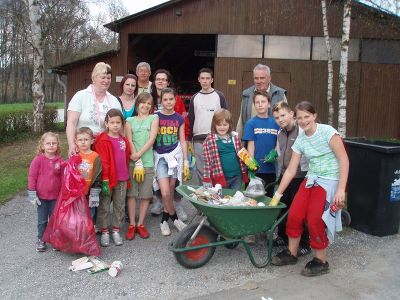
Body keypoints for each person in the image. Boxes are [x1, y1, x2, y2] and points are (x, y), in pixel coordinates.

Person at [271, 101, 349, 277]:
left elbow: (344, 160)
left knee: (315, 219)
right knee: (294, 215)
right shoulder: (300, 139)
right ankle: (292, 253)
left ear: (314, 116)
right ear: (295, 119)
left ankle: (321, 261)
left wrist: (340, 190)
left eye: (307, 116)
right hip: (311, 179)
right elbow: (291, 169)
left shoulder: (328, 132)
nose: (303, 120)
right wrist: (277, 194)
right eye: (300, 118)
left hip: (329, 180)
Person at [150, 69, 189, 220]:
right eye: (165, 100)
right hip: (160, 155)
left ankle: (172, 211)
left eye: (171, 99)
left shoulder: (179, 118)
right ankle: (171, 214)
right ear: (161, 100)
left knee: (173, 187)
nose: (168, 102)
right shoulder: (155, 116)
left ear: (175, 100)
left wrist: (186, 160)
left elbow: (182, 139)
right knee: (164, 189)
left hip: (175, 154)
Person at [272, 102, 310, 256]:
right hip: (285, 175)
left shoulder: (302, 131)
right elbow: (279, 152)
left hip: (300, 176)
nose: (280, 119)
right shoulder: (280, 133)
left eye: (283, 115)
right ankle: (282, 236)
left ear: (291, 114)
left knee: (299, 211)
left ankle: (305, 243)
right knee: (283, 208)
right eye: (276, 117)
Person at [66, 62, 121, 156]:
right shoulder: (80, 96)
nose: (106, 80)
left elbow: (120, 125)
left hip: (106, 146)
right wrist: (71, 144)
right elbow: (71, 123)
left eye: (108, 78)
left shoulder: (114, 100)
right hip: (84, 145)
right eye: (103, 77)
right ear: (94, 78)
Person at [93, 109, 130, 247]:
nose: (115, 125)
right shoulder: (102, 140)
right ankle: (104, 231)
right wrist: (105, 180)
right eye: (112, 122)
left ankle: (115, 230)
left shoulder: (123, 140)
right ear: (106, 123)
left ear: (122, 124)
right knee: (104, 205)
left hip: (122, 178)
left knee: (120, 205)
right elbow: (104, 162)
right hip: (107, 180)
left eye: (118, 123)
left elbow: (125, 158)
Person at [124, 92, 159, 240]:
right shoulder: (129, 120)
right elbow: (128, 139)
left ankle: (140, 223)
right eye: (143, 103)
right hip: (132, 162)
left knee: (145, 195)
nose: (145, 106)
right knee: (131, 194)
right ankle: (132, 224)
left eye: (148, 104)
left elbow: (152, 139)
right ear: (137, 104)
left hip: (147, 162)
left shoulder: (154, 118)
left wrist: (139, 155)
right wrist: (135, 158)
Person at [188, 67, 228, 185]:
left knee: (217, 170)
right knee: (201, 171)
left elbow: (226, 117)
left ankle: (218, 196)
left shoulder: (219, 96)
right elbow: (191, 119)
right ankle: (205, 197)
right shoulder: (194, 98)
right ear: (198, 80)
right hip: (199, 138)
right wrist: (190, 140)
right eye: (202, 78)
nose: (205, 81)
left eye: (207, 78)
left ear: (212, 80)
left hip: (217, 138)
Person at [28, 132, 64, 252]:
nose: (51, 145)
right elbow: (32, 177)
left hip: (55, 197)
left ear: (57, 145)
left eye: (54, 143)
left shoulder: (60, 160)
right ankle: (41, 239)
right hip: (41, 197)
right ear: (42, 145)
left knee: (55, 220)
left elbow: (63, 178)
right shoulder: (38, 160)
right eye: (48, 143)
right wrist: (32, 194)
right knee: (42, 220)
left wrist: (64, 193)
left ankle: (54, 239)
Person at [242, 91, 280, 196]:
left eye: (263, 101)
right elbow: (250, 145)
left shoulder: (276, 123)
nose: (260, 104)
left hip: (271, 169)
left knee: (267, 197)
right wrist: (251, 165)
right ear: (254, 105)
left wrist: (275, 152)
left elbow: (279, 143)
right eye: (257, 102)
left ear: (269, 104)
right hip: (256, 169)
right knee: (252, 198)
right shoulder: (251, 123)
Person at [236, 64, 287, 138]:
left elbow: (286, 119)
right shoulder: (246, 94)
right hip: (251, 139)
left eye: (262, 78)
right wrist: (238, 141)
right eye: (256, 78)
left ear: (269, 78)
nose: (259, 81)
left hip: (274, 140)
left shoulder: (279, 94)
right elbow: (241, 120)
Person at [202, 109, 248, 189]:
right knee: (222, 199)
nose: (222, 127)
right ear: (214, 125)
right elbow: (207, 161)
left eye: (225, 124)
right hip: (220, 177)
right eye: (219, 125)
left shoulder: (234, 137)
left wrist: (251, 165)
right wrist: (206, 178)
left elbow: (243, 154)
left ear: (229, 125)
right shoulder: (210, 140)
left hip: (237, 176)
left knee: (234, 198)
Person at [75, 127, 102, 220]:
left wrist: (95, 189)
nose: (83, 142)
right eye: (80, 140)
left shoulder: (95, 156)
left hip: (91, 191)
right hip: (78, 191)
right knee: (78, 213)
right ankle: (79, 232)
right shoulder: (75, 156)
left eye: (86, 139)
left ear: (92, 141)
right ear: (76, 141)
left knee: (91, 213)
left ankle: (89, 231)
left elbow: (98, 174)